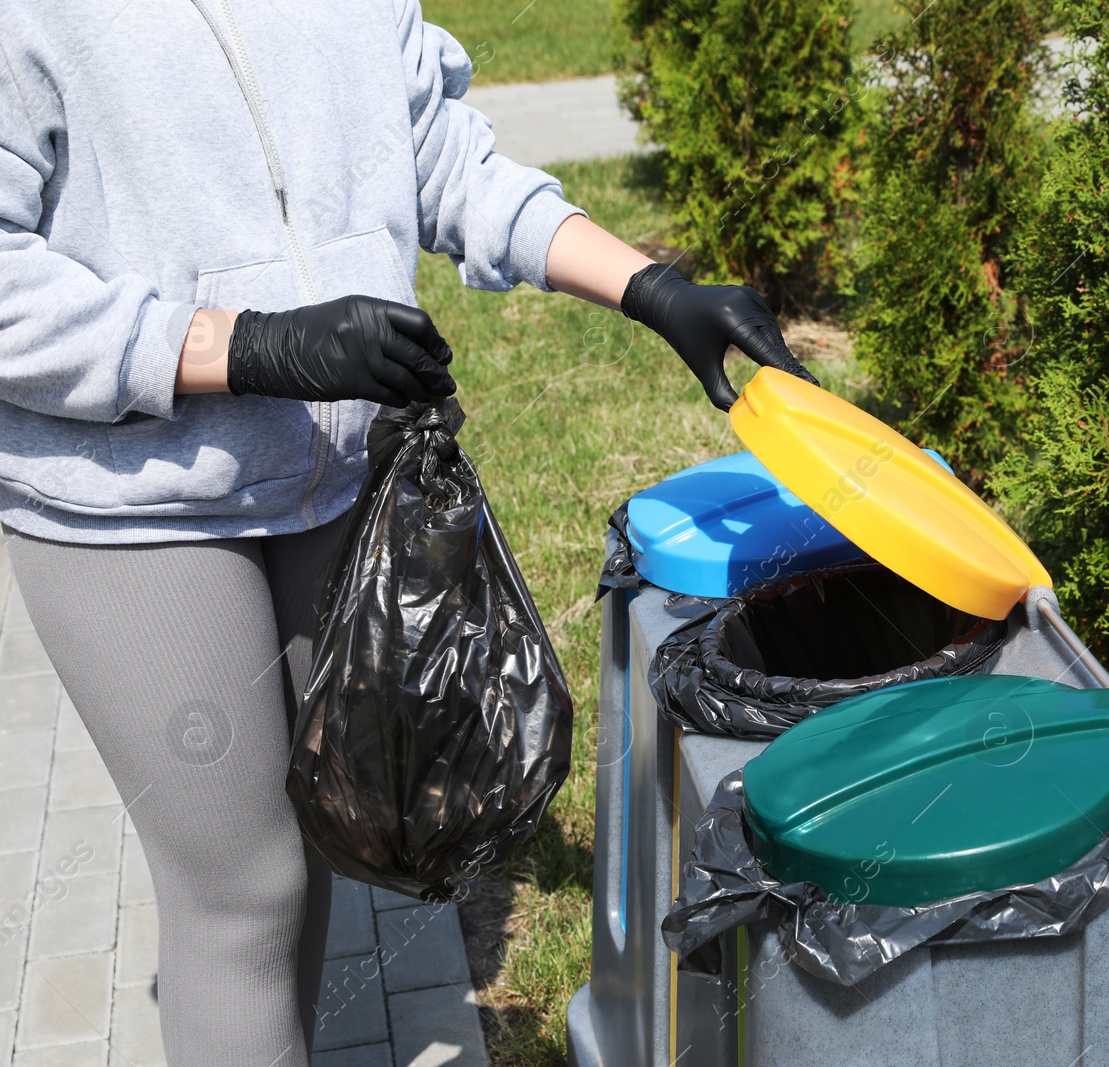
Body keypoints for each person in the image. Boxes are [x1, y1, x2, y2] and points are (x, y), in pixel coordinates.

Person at [0, 2, 814, 1063]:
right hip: (128, 507)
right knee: (242, 892)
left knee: (314, 836)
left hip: (334, 476)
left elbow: (439, 158)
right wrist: (241, 346)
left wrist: (649, 287)